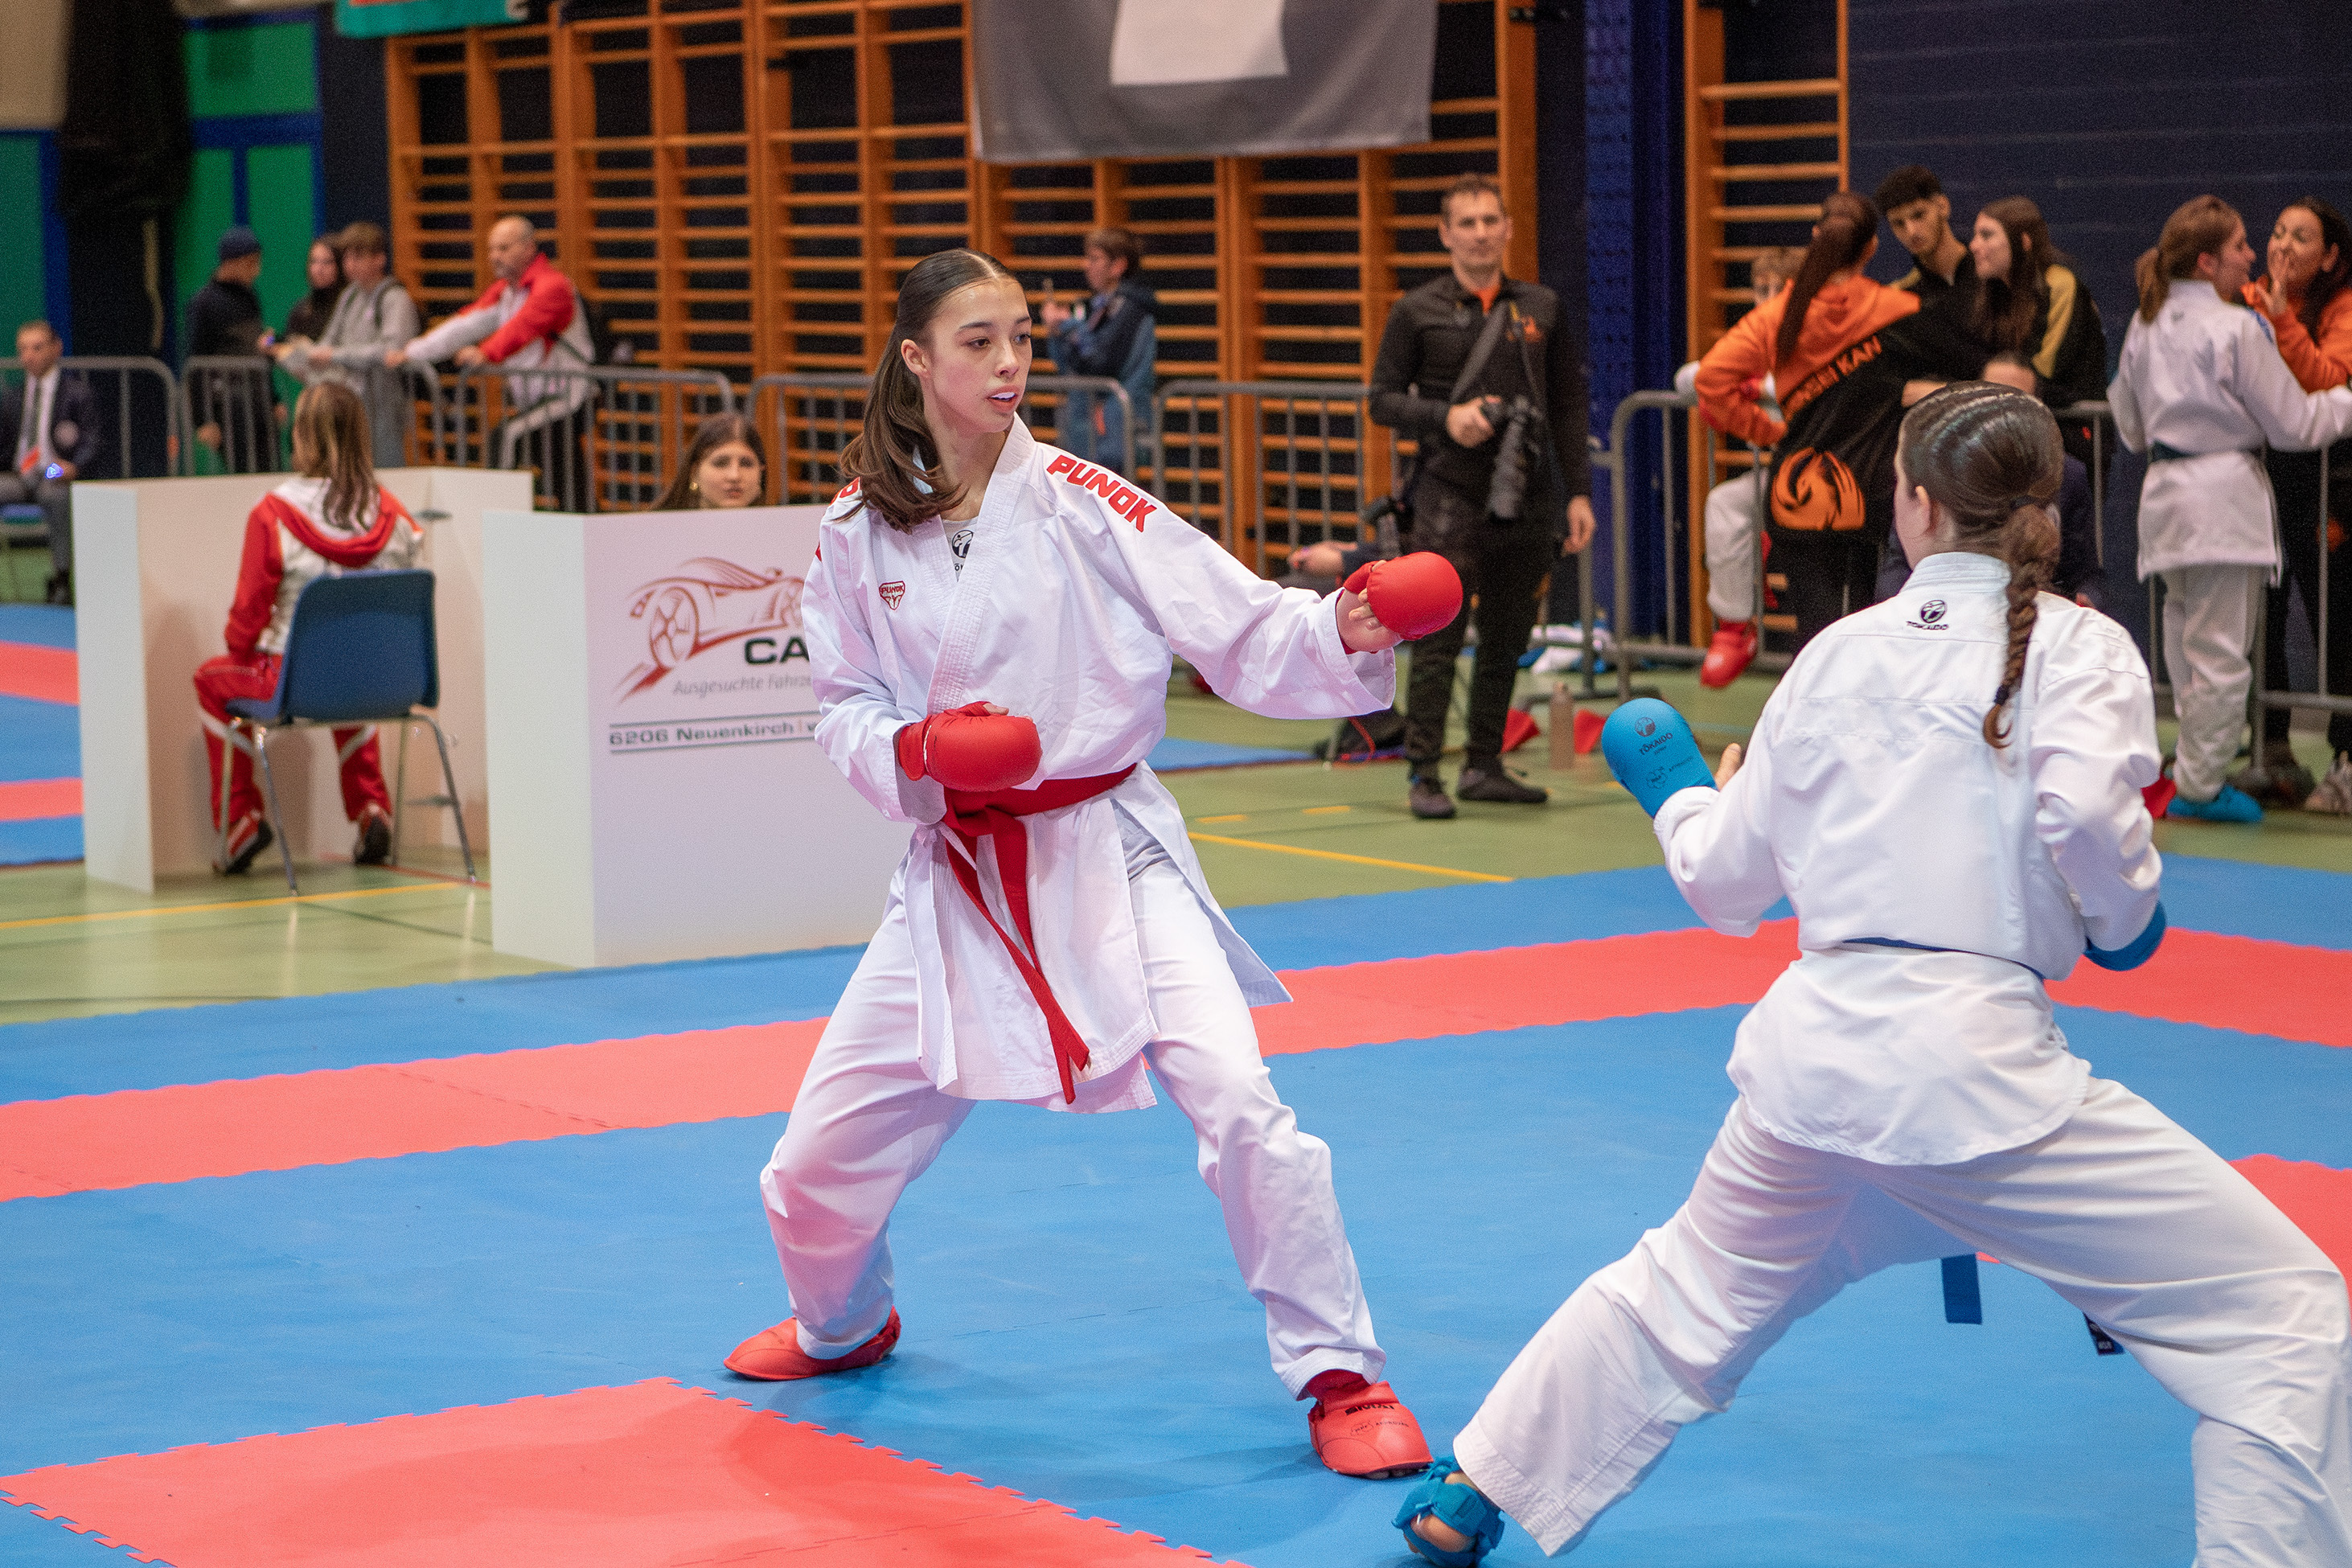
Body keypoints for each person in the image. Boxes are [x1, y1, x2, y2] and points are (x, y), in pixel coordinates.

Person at [1392, 384, 2352, 1568]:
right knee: (2281, 1312)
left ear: (1914, 505)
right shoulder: (2083, 645)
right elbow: (2090, 830)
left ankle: (1473, 1486)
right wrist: (2125, 918)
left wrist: (1681, 791)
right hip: (1977, 1092)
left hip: (1815, 1078)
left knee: (1682, 1292)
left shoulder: (1838, 652)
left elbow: (1725, 882)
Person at [724, 247, 1437, 1485]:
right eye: (978, 342)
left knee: (1242, 1102)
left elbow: (1238, 618)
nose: (1011, 363)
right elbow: (841, 702)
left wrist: (1343, 623)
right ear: (915, 359)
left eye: (1020, 337)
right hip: (957, 868)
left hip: (1110, 853)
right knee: (810, 1164)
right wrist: (913, 751)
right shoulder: (853, 528)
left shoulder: (1082, 499)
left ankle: (1341, 1372)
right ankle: (843, 1321)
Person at [2108, 195, 2352, 823]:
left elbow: (2128, 427)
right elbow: (2296, 424)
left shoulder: (2145, 323)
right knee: (2219, 656)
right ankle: (2198, 785)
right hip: (2221, 501)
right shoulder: (2235, 328)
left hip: (2163, 498)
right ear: (2206, 260)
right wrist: (2346, 402)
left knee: (2183, 644)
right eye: (2241, 245)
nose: (2252, 256)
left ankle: (2190, 768)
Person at [1369, 173, 1597, 819]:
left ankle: (1483, 764)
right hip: (1448, 495)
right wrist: (1446, 417)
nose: (1479, 234)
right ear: (1445, 235)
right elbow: (1381, 400)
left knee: (1506, 636)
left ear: (1508, 229)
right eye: (1466, 223)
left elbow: (1567, 404)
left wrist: (1578, 493)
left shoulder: (1541, 307)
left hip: (1527, 494)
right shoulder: (1416, 311)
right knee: (1438, 637)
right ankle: (1423, 772)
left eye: (1489, 221)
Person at [1696, 191, 1985, 651]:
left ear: (1816, 237)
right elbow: (1977, 366)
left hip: (1794, 498)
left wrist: (1769, 432)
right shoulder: (1898, 311)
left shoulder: (1774, 317)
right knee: (1872, 641)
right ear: (1871, 248)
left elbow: (1710, 380)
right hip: (1873, 496)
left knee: (1815, 646)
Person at [192, 381, 423, 875]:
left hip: (296, 683)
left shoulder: (273, 514)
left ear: (301, 435)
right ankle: (371, 808)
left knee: (212, 681)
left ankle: (240, 823)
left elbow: (246, 622)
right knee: (352, 668)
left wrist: (241, 649)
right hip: (388, 682)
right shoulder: (399, 517)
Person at [2237, 196, 2352, 812]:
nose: (2281, 245)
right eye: (2277, 231)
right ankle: (2271, 749)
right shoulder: (2247, 300)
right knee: (2262, 617)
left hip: (2328, 490)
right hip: (2260, 486)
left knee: (2337, 624)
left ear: (2329, 256)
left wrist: (2280, 320)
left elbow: (2325, 379)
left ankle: (2346, 758)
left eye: (2300, 238)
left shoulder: (2343, 307)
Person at [388, 215, 595, 509]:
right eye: (491, 249)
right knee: (565, 470)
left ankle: (497, 517)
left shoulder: (553, 286)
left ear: (529, 248)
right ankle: (586, 516)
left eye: (504, 248)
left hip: (568, 396)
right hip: (539, 399)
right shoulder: (505, 292)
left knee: (507, 438)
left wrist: (486, 353)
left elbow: (522, 327)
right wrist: (413, 352)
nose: (494, 256)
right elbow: (465, 325)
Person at [1685, 244, 1802, 688]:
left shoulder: (1815, 334)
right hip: (1782, 474)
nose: (1768, 299)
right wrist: (1738, 382)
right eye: (1760, 290)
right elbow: (1690, 377)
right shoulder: (1752, 339)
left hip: (1832, 475)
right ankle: (1735, 627)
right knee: (1725, 502)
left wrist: (1760, 387)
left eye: (1779, 290)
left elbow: (1808, 380)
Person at [1967, 196, 2108, 463]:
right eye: (1975, 235)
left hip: (2070, 440)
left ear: (2024, 242)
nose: (1974, 245)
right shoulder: (1993, 294)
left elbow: (2041, 372)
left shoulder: (2060, 284)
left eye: (1987, 235)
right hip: (2015, 435)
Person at [285, 222, 422, 470]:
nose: (350, 264)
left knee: (384, 468)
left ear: (379, 259)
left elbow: (391, 350)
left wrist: (335, 355)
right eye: (346, 257)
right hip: (350, 401)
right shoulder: (350, 296)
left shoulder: (395, 298)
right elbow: (328, 341)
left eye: (358, 256)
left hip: (384, 402)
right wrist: (301, 355)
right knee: (349, 466)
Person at [1037, 226, 1155, 478]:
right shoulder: (1091, 307)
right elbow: (1069, 365)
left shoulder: (1132, 311)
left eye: (1095, 259)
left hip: (1113, 429)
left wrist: (1069, 327)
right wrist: (1056, 333)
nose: (1086, 265)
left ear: (1118, 266)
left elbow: (1100, 364)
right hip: (1085, 428)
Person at [0, 320, 103, 605]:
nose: (28, 356)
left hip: (53, 468)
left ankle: (61, 577)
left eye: (36, 348)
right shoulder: (13, 396)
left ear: (56, 349)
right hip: (19, 473)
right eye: (23, 349)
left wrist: (75, 466)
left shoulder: (77, 394)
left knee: (54, 492)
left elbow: (93, 441)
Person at [186, 225, 279, 473]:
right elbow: (195, 364)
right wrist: (203, 420)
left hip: (257, 398)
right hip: (228, 404)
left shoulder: (250, 296)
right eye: (251, 264)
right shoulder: (203, 303)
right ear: (232, 262)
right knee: (244, 469)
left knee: (270, 467)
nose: (257, 271)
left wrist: (274, 398)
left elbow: (258, 347)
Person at [1875, 165, 1974, 302]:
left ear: (1943, 207)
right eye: (1899, 223)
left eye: (1918, 215)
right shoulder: (1900, 298)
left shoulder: (1995, 276)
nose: (1911, 232)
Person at [651, 413, 766, 510]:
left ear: (761, 472)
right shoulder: (659, 528)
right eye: (720, 464)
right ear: (694, 472)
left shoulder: (774, 526)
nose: (734, 476)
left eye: (746, 464)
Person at [280, 237, 344, 350]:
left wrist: (311, 348)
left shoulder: (347, 305)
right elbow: (285, 339)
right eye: (314, 261)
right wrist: (269, 341)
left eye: (327, 262)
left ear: (340, 266)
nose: (319, 269)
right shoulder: (303, 309)